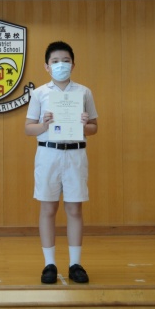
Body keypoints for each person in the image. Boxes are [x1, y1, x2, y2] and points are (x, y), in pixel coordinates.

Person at [25, 41, 98, 284]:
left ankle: (75, 263)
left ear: (73, 64)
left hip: (75, 154)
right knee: (48, 209)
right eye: (55, 61)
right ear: (47, 66)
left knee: (74, 209)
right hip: (48, 154)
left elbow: (94, 128)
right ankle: (49, 264)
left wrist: (84, 124)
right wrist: (44, 125)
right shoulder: (39, 93)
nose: (60, 65)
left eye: (65, 61)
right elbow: (28, 128)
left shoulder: (84, 92)